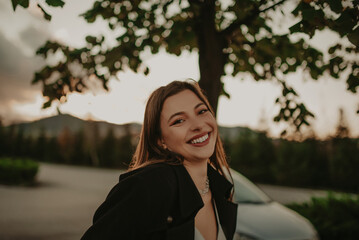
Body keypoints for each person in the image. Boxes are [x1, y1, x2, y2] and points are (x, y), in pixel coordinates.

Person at [81, 80, 238, 240]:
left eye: (202, 111)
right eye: (179, 121)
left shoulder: (221, 190)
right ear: (160, 140)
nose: (198, 125)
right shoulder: (147, 186)